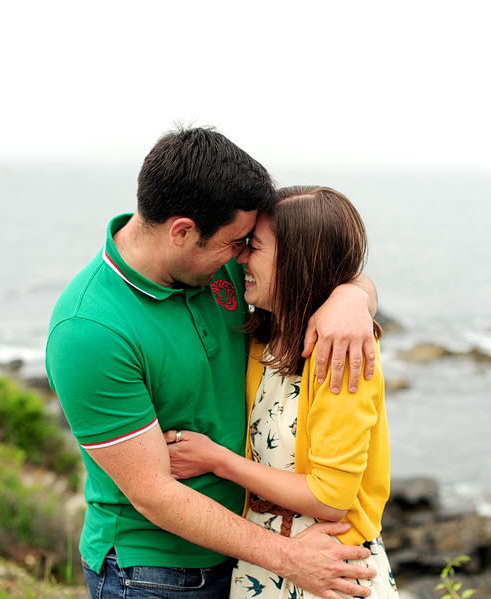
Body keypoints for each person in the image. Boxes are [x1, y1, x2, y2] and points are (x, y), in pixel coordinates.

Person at [45, 126, 379, 599]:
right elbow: (154, 493)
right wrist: (287, 557)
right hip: (157, 573)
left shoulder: (216, 259)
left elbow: (311, 265)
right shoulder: (89, 331)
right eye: (237, 242)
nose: (244, 256)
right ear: (182, 231)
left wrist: (352, 296)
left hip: (248, 557)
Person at [165, 185, 398, 599]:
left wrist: (217, 460)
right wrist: (354, 293)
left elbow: (330, 498)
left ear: (295, 262)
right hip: (265, 562)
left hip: (330, 568)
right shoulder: (263, 338)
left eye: (253, 247)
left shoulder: (342, 353)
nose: (239, 259)